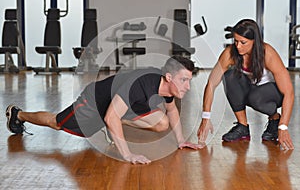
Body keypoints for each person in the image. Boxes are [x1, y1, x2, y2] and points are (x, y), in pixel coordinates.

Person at [6, 56, 203, 164]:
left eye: (188, 81)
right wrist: (128, 154)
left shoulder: (166, 87)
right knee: (56, 123)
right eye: (183, 80)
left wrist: (180, 141)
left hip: (118, 108)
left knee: (162, 123)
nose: (187, 86)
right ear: (169, 77)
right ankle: (18, 114)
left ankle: (114, 125)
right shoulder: (140, 84)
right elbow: (110, 116)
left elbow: (172, 111)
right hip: (94, 103)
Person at [197, 19, 294, 150]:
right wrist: (205, 118)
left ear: (255, 41)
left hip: (274, 93)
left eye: (243, 42)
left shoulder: (267, 54)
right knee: (229, 76)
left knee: (255, 97)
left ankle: (275, 119)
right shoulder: (230, 53)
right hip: (253, 90)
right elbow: (211, 84)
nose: (238, 46)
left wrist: (283, 126)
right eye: (236, 41)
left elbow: (289, 92)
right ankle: (242, 126)